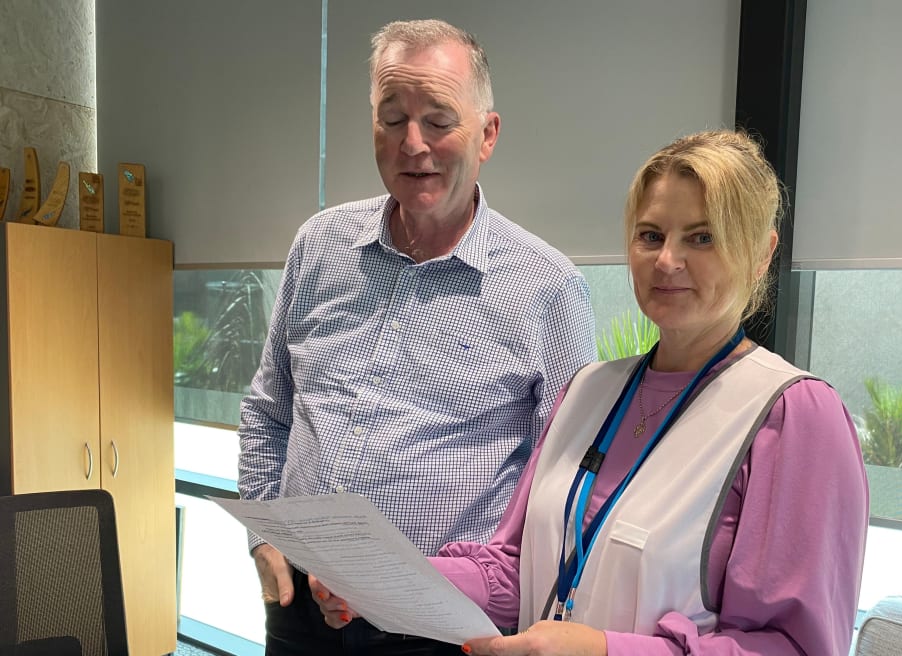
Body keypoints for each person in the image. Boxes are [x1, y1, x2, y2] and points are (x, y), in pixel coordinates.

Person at [313, 130, 870, 655]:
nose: (667, 260)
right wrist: (381, 578)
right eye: (650, 236)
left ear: (762, 253)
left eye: (703, 237)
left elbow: (794, 646)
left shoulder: (791, 414)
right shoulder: (588, 390)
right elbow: (512, 571)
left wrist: (604, 650)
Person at [238, 18, 597, 656]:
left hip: (439, 627)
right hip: (301, 610)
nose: (412, 144)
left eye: (438, 120)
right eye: (392, 118)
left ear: (487, 134)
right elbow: (269, 410)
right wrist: (264, 539)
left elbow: (564, 483)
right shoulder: (319, 245)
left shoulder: (547, 286)